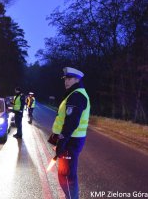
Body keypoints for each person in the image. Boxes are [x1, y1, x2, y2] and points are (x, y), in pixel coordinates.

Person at [51, 67, 90, 199]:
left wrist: (61, 143)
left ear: (77, 79)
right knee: (66, 174)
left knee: (66, 176)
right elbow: (63, 120)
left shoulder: (76, 96)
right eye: (65, 79)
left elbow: (71, 123)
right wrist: (55, 140)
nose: (66, 82)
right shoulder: (72, 94)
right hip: (70, 139)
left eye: (69, 79)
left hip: (70, 140)